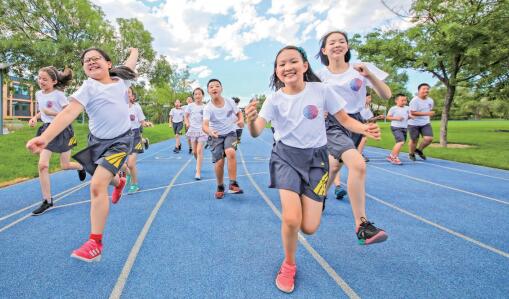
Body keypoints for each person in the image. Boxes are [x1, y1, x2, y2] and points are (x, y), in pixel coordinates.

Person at [245, 46, 382, 294]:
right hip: (285, 158)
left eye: (293, 61)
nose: (287, 67)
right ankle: (289, 264)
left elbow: (345, 119)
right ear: (277, 71)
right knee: (291, 218)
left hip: (317, 161)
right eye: (281, 64)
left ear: (305, 66)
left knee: (309, 227)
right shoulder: (274, 99)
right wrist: (250, 121)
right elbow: (256, 131)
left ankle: (310, 217)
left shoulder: (321, 90)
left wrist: (363, 129)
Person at [27, 47, 139, 262]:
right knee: (103, 178)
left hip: (121, 142)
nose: (91, 62)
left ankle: (95, 243)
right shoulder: (87, 88)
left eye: (96, 58)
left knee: (96, 185)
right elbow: (68, 112)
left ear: (108, 63)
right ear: (84, 68)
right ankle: (119, 182)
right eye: (87, 61)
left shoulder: (122, 81)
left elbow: (130, 63)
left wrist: (134, 50)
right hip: (96, 142)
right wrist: (45, 138)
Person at [315, 30, 391, 210]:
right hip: (333, 123)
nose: (337, 45)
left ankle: (320, 197)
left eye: (341, 41)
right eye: (332, 42)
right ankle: (361, 222)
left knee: (334, 167)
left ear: (347, 46)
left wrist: (369, 75)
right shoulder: (319, 76)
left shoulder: (361, 68)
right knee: (357, 163)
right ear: (324, 50)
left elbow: (386, 95)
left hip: (356, 123)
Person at [28, 66, 86, 216]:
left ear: (54, 81)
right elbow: (42, 111)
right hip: (46, 131)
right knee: (42, 165)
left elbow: (69, 114)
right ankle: (47, 200)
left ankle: (80, 166)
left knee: (65, 165)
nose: (41, 81)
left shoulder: (60, 95)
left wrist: (51, 113)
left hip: (62, 130)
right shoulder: (38, 94)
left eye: (45, 79)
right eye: (39, 78)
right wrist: (35, 117)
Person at [202, 79, 244, 199]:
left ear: (221, 88)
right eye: (211, 87)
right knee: (219, 162)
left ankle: (233, 183)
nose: (214, 88)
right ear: (208, 91)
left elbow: (239, 113)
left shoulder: (230, 102)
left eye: (217, 86)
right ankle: (220, 185)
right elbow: (204, 125)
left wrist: (240, 120)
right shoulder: (208, 108)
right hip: (215, 136)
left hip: (231, 133)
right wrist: (210, 131)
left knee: (230, 152)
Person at [126, 87, 149, 193]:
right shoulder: (117, 107)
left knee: (130, 164)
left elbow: (142, 121)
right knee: (120, 164)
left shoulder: (136, 107)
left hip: (135, 135)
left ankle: (134, 185)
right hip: (121, 137)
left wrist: (146, 123)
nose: (126, 93)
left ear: (132, 96)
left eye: (128, 92)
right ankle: (128, 174)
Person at [185, 87, 208, 180]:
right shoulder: (190, 106)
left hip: (202, 130)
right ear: (193, 96)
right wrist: (187, 123)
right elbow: (186, 116)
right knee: (194, 152)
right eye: (196, 94)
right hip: (193, 130)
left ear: (202, 95)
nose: (198, 95)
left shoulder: (206, 106)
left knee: (199, 151)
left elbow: (208, 118)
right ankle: (199, 161)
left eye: (199, 94)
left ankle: (198, 172)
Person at [408, 83, 434, 161]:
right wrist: (427, 113)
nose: (426, 90)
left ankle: (419, 150)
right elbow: (413, 112)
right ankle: (411, 154)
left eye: (427, 89)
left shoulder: (430, 100)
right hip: (413, 123)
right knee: (414, 140)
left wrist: (428, 115)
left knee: (429, 138)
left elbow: (429, 109)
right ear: (419, 90)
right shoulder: (414, 101)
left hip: (425, 123)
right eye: (424, 89)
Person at [386, 93, 412, 165]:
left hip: (404, 127)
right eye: (402, 100)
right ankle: (394, 158)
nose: (404, 102)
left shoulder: (407, 108)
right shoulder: (393, 108)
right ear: (396, 101)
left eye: (405, 100)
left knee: (400, 142)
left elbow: (408, 116)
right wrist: (396, 118)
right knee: (401, 142)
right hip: (396, 127)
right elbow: (388, 117)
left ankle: (390, 156)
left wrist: (410, 117)